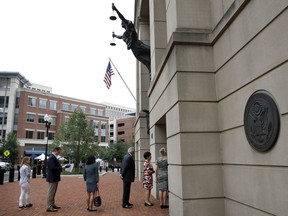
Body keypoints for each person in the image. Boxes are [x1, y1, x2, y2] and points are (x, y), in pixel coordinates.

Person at [112, 3, 151, 73]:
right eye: (122, 24)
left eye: (123, 23)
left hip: (138, 44)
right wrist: (114, 35)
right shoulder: (125, 35)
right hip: (134, 49)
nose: (123, 24)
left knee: (150, 50)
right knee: (144, 60)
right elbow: (120, 37)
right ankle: (151, 70)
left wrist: (116, 9)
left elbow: (122, 17)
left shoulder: (130, 26)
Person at [46, 147, 69, 212]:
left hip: (54, 177)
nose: (59, 153)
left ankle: (52, 204)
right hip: (52, 177)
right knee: (51, 192)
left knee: (53, 192)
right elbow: (52, 168)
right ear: (55, 151)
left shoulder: (53, 157)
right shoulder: (51, 157)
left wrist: (61, 167)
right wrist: (61, 167)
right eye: (58, 152)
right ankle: (49, 206)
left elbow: (54, 167)